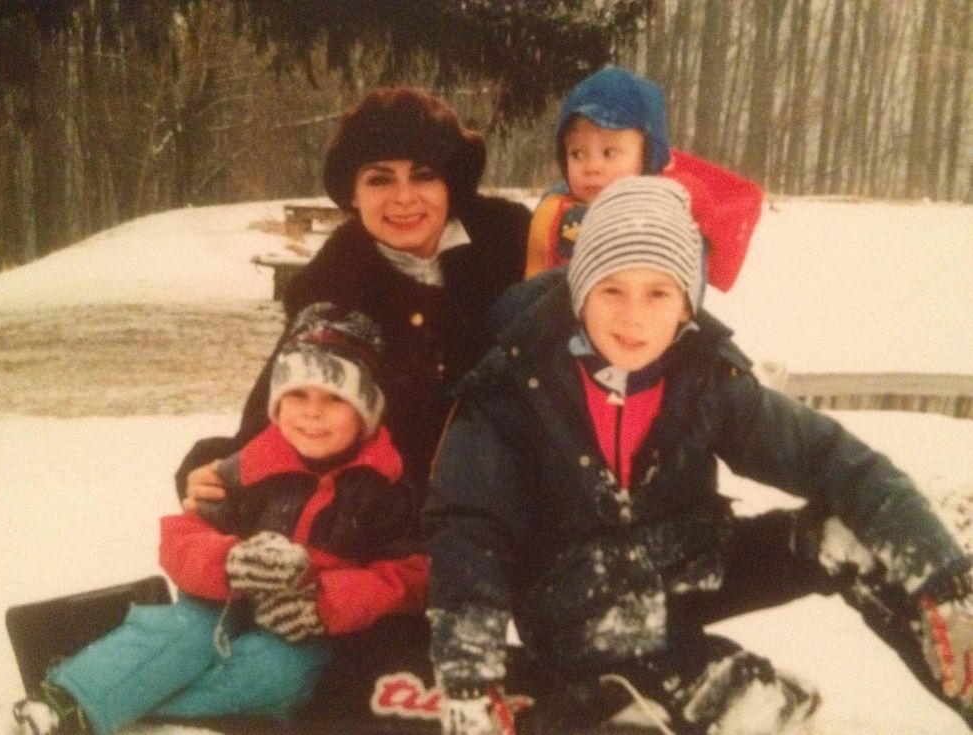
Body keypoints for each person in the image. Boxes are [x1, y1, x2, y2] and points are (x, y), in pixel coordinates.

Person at [424, 176, 973, 734]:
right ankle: (686, 694)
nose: (633, 316)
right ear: (579, 292)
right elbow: (469, 530)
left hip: (687, 564)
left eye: (658, 293)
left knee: (851, 540)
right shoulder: (515, 386)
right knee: (749, 710)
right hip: (577, 607)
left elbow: (836, 462)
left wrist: (944, 578)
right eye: (611, 290)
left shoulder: (704, 375)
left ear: (687, 303)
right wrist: (469, 676)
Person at [13, 303, 427, 735]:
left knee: (278, 671)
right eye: (297, 395)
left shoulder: (385, 489)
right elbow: (181, 537)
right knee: (182, 633)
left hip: (303, 632)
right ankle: (66, 704)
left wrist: (324, 602)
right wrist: (229, 563)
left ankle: (141, 712)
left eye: (335, 399)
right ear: (276, 403)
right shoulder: (250, 466)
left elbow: (410, 576)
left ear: (366, 412)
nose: (312, 412)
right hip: (220, 605)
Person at [177, 86, 531, 506]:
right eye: (380, 179)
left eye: (423, 175)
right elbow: (282, 414)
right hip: (402, 513)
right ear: (353, 195)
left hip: (527, 489)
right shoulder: (335, 287)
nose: (404, 197)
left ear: (450, 184)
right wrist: (211, 470)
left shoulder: (517, 246)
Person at [525, 66, 762, 296]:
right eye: (577, 154)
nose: (591, 167)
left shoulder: (666, 219)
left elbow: (680, 300)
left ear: (647, 157)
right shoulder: (555, 207)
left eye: (609, 153)